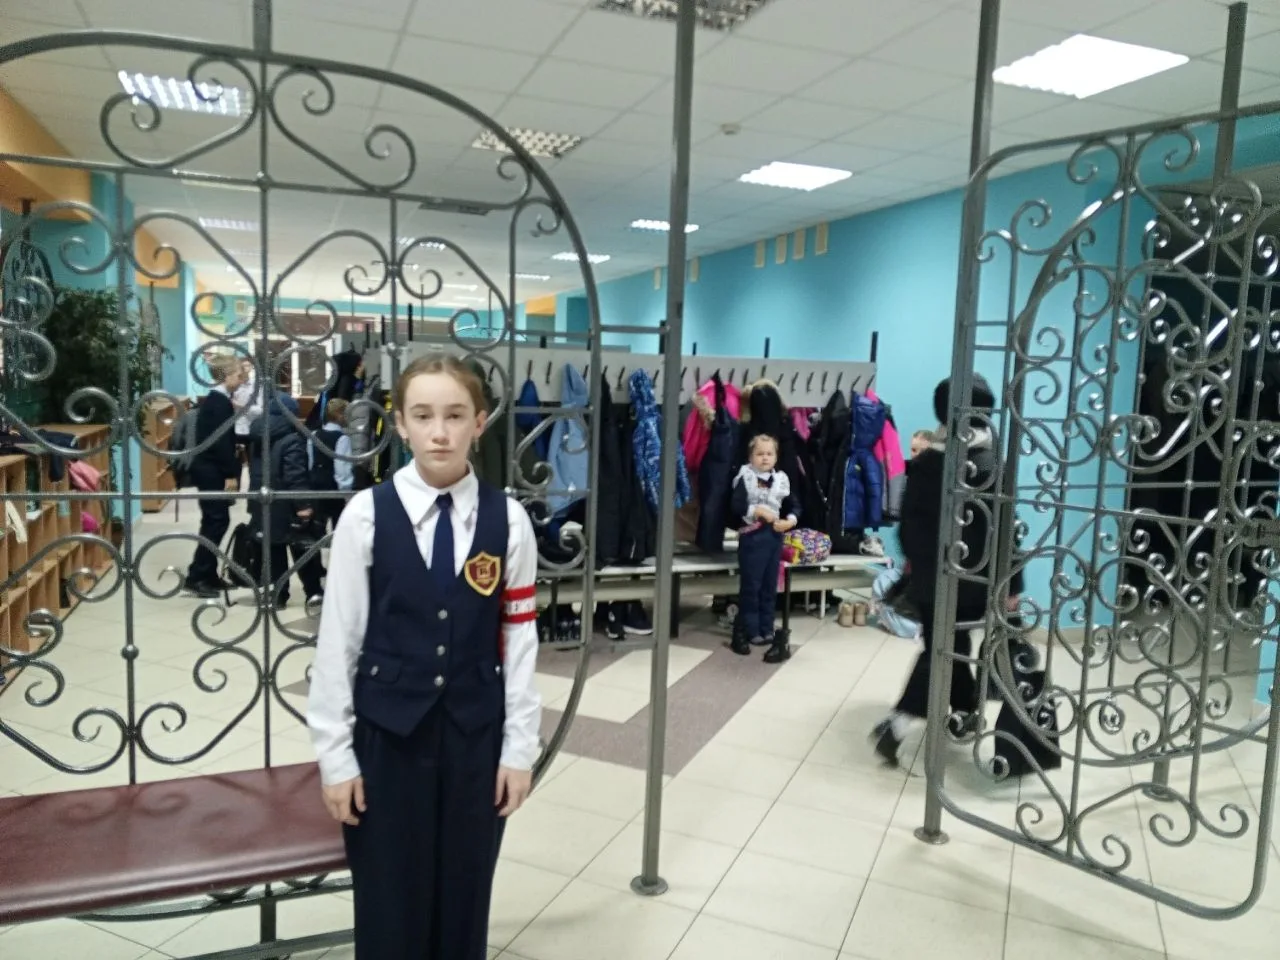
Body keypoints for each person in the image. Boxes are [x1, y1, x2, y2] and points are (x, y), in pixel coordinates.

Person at [307, 354, 540, 960]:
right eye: (423, 416)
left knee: (465, 895)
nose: (440, 432)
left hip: (474, 739)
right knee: (390, 900)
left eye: (455, 416)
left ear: (479, 424)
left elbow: (519, 641)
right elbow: (339, 642)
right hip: (388, 739)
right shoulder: (365, 516)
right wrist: (335, 757)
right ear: (401, 425)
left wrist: (519, 749)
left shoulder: (509, 521)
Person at [872, 374, 1024, 766]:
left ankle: (963, 711)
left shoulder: (928, 461)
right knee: (947, 650)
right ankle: (900, 723)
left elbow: (909, 528)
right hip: (976, 580)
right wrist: (1013, 584)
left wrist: (924, 569)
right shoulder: (990, 463)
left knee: (947, 647)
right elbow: (1006, 529)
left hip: (933, 580)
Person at [247, 394, 324, 609]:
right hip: (287, 502)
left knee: (274, 550)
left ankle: (278, 595)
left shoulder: (257, 436)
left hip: (263, 500)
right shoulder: (291, 439)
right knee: (303, 548)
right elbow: (295, 475)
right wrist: (303, 505)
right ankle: (314, 592)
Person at [728, 434, 798, 664]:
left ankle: (767, 627)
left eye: (769, 454)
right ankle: (750, 629)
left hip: (774, 537)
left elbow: (794, 504)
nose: (765, 458)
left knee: (769, 585)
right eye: (759, 454)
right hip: (753, 536)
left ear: (776, 457)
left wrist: (790, 520)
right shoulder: (745, 477)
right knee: (752, 585)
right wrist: (756, 511)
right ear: (751, 456)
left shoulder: (781, 479)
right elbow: (736, 504)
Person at [184, 356, 245, 598]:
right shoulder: (219, 403)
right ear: (226, 375)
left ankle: (207, 573)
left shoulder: (217, 400)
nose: (241, 379)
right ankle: (197, 576)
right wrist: (230, 473)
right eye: (238, 375)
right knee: (216, 522)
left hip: (209, 468)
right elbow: (220, 442)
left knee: (215, 521)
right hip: (212, 470)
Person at [309, 397, 353, 532]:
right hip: (333, 487)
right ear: (340, 415)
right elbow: (342, 468)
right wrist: (346, 491)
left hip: (315, 484)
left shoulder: (314, 434)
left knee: (317, 525)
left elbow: (311, 461)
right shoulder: (342, 438)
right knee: (338, 526)